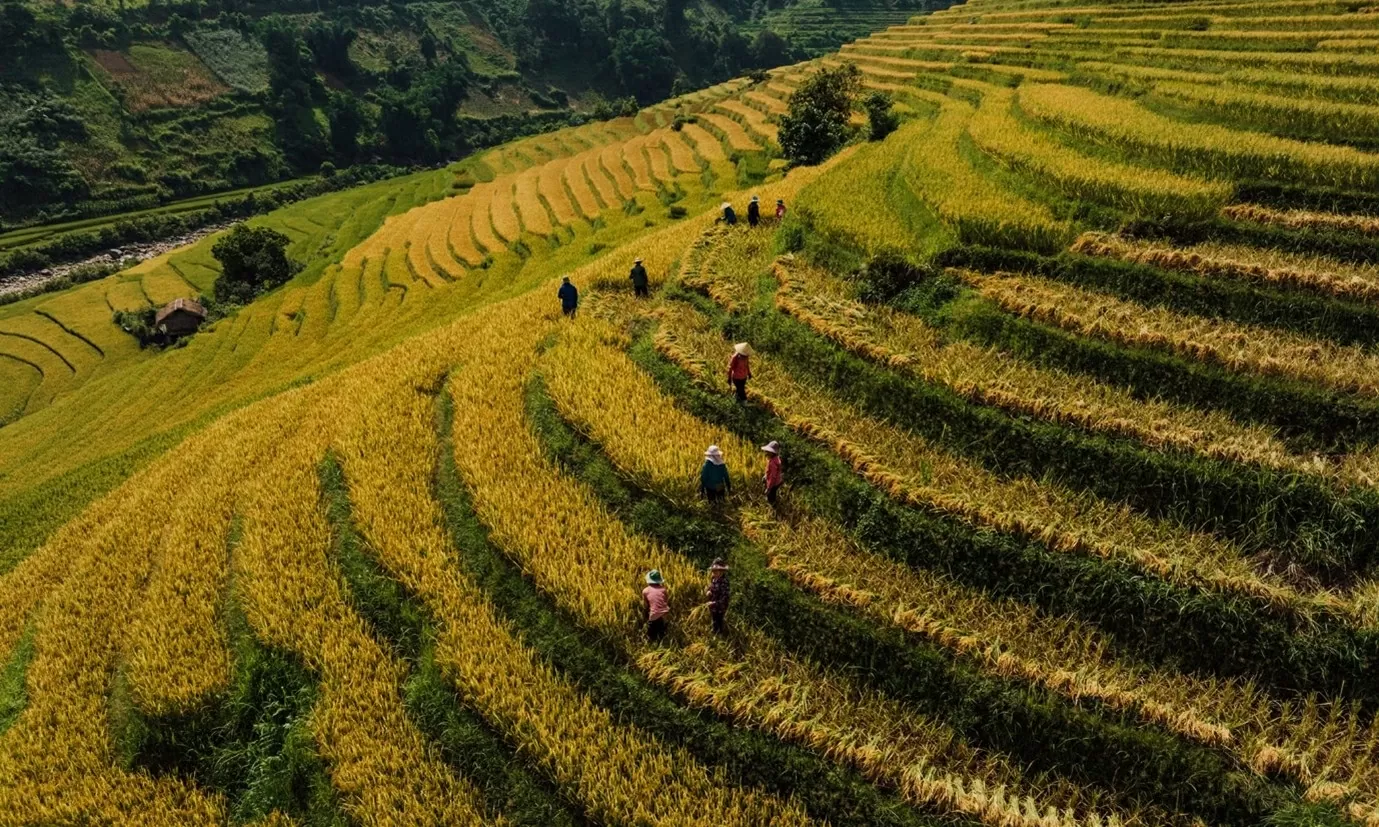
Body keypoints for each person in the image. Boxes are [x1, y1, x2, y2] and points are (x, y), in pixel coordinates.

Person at [642, 570, 670, 642]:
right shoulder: (663, 589)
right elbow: (666, 601)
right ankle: (663, 642)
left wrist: (646, 614)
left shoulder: (645, 591)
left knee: (652, 634)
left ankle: (652, 644)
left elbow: (646, 605)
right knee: (662, 632)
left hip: (654, 614)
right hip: (665, 614)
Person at [705, 558, 730, 636]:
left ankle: (720, 636)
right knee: (714, 620)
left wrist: (714, 603)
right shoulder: (713, 579)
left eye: (716, 570)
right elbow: (711, 587)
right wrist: (709, 591)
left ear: (721, 571)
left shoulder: (724, 582)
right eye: (713, 570)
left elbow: (724, 598)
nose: (714, 572)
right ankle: (715, 636)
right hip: (713, 606)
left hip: (720, 606)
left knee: (719, 621)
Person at [762, 441, 783, 505]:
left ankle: (772, 505)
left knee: (771, 494)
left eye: (768, 452)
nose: (766, 453)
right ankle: (771, 499)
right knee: (772, 493)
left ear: (772, 453)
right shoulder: (775, 458)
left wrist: (768, 489)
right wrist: (766, 475)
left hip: (774, 483)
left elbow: (773, 477)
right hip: (777, 480)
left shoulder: (773, 463)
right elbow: (770, 472)